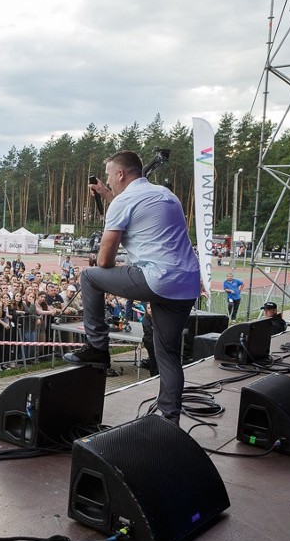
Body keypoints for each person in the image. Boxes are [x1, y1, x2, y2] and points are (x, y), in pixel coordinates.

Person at [64, 151, 200, 425]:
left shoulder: (123, 201)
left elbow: (105, 261)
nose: (107, 181)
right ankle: (170, 419)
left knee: (90, 276)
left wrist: (110, 207)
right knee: (168, 352)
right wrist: (105, 195)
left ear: (120, 174)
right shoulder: (165, 194)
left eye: (109, 176)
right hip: (187, 282)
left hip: (156, 278)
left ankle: (97, 347)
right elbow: (137, 210)